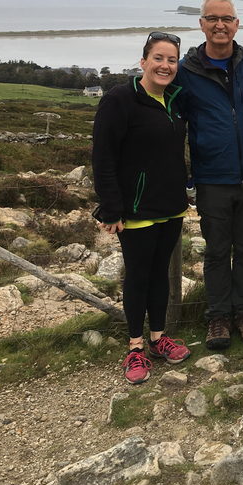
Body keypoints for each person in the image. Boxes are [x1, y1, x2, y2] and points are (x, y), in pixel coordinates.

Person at [92, 31, 191, 384]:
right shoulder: (120, 100)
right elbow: (103, 158)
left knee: (161, 273)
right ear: (143, 61)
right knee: (138, 275)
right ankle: (134, 347)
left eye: (172, 60)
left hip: (172, 205)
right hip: (135, 209)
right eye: (159, 58)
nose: (165, 66)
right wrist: (111, 209)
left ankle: (157, 339)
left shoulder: (174, 100)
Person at [175, 0, 243, 350]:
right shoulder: (186, 71)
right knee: (216, 251)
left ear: (237, 24)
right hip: (212, 177)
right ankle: (217, 316)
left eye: (226, 18)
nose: (219, 25)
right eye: (212, 18)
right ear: (201, 24)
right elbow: (172, 122)